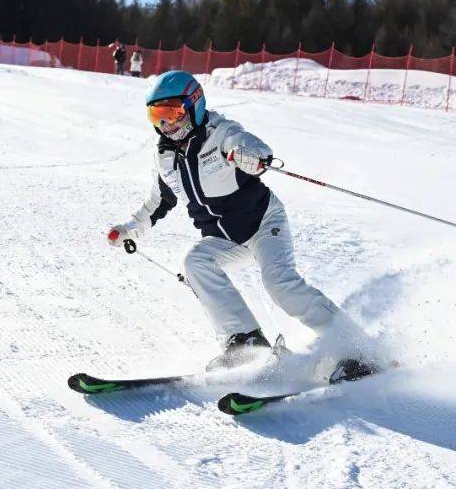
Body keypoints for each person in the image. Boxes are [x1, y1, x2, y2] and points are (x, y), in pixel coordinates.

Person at [108, 70, 374, 377]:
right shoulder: (164, 156)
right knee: (196, 262)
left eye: (172, 113)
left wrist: (250, 156)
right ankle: (247, 342)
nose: (166, 124)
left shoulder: (221, 134)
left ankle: (356, 348)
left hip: (263, 224)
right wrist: (129, 229)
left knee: (280, 284)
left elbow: (252, 145)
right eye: (157, 116)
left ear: (194, 104)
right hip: (226, 239)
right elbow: (159, 201)